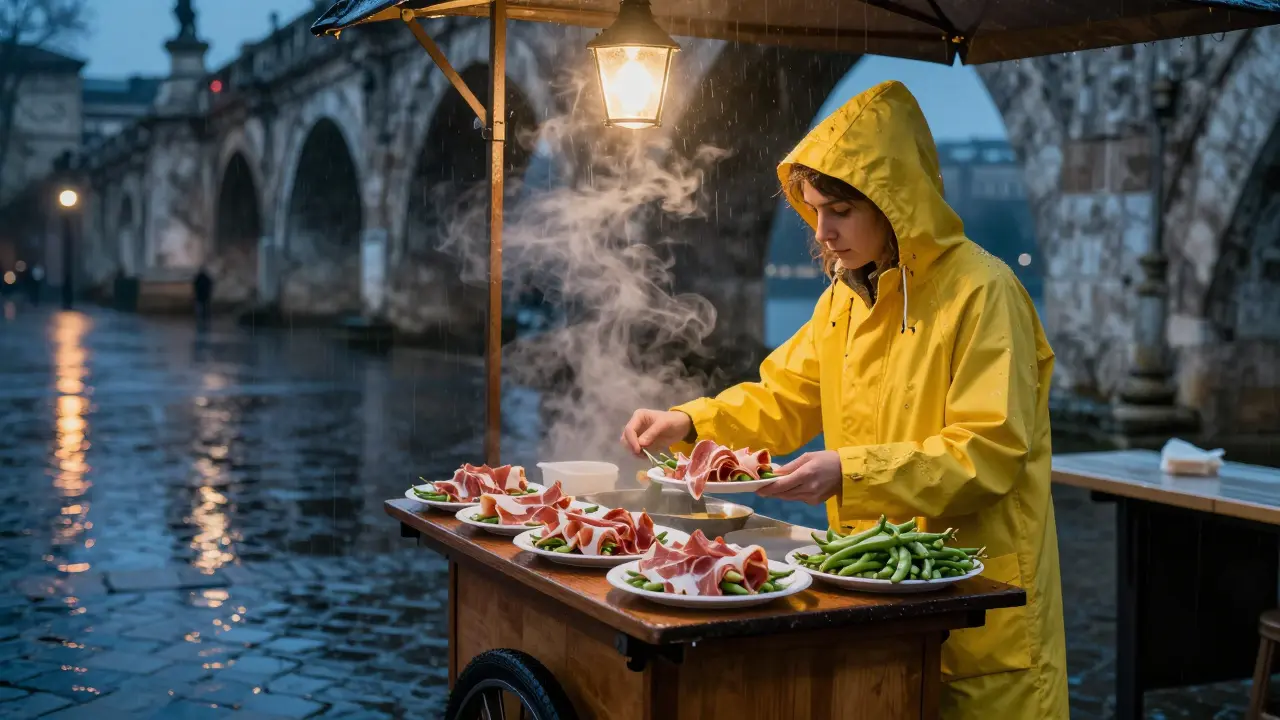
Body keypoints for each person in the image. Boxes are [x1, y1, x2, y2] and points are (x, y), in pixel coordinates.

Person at [620, 80, 1068, 719]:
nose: (823, 231)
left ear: (893, 203)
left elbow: (988, 451)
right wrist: (688, 422)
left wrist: (847, 472)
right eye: (812, 209)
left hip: (979, 604)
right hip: (870, 589)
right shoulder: (844, 300)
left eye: (839, 210)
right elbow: (783, 399)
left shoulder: (984, 293)